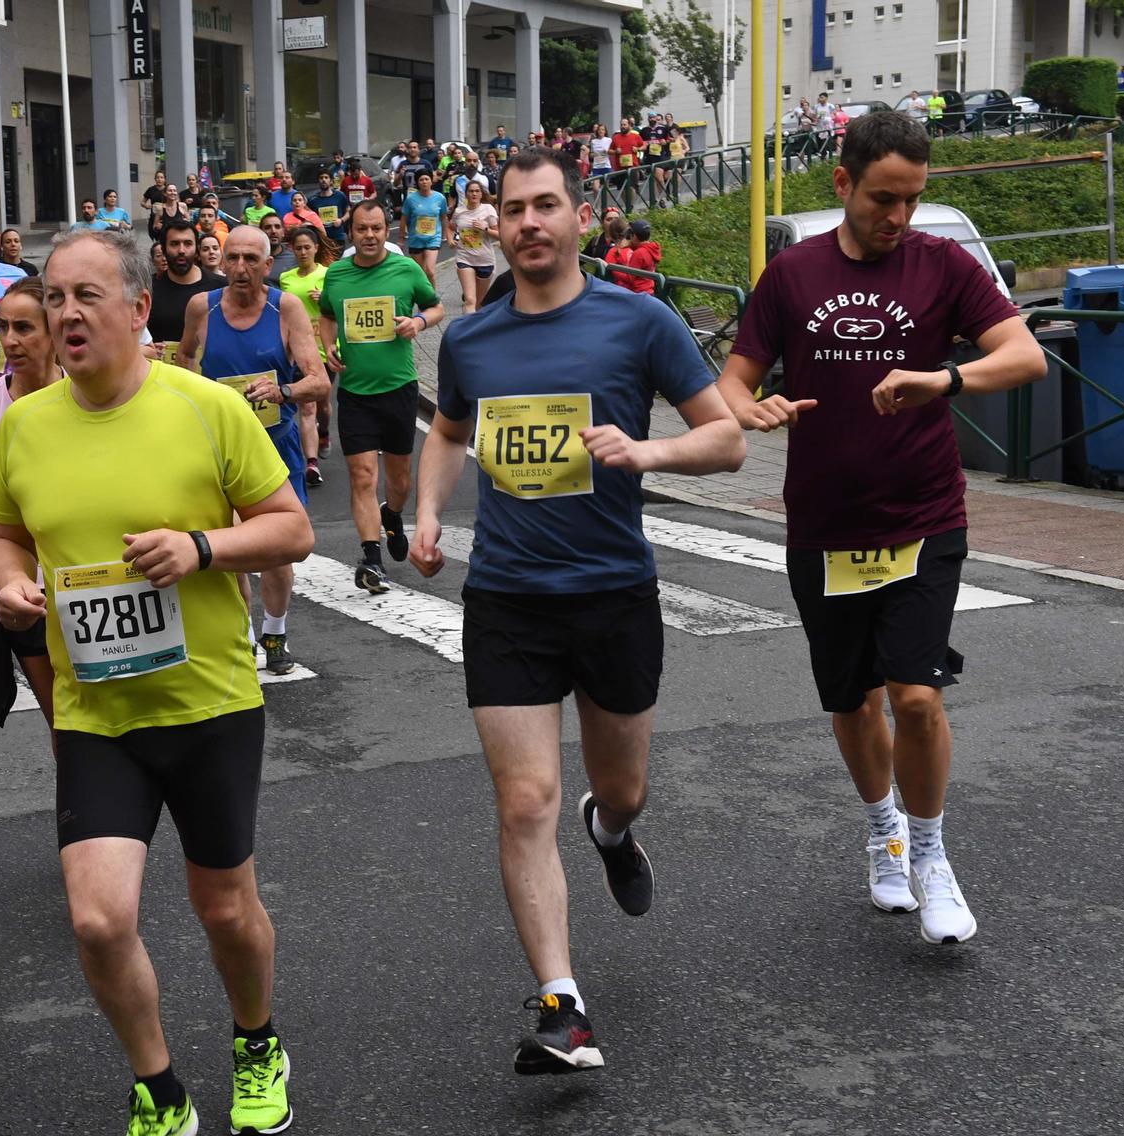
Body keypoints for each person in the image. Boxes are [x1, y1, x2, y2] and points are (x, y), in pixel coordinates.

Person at [0, 226, 313, 1136]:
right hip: (95, 711)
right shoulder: (25, 425)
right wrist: (7, 589)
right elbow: (2, 539)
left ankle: (255, 1042)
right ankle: (158, 1091)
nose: (65, 314)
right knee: (96, 917)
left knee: (222, 907)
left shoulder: (206, 410)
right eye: (53, 298)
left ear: (138, 309)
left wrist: (202, 550)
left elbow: (289, 526)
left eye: (87, 295)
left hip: (207, 700)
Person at [408, 146, 745, 1076]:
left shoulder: (639, 322)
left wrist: (646, 454)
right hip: (508, 600)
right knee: (523, 801)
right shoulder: (472, 339)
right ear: (498, 225)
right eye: (513, 210)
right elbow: (445, 432)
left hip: (612, 597)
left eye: (545, 205)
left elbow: (725, 441)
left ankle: (614, 827)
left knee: (618, 785)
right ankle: (563, 1001)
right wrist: (429, 508)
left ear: (579, 214)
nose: (528, 224)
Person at [719, 110, 1045, 945]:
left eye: (911, 200)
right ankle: (883, 831)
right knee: (854, 698)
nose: (897, 217)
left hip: (923, 517)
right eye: (882, 200)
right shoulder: (792, 274)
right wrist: (750, 408)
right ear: (842, 184)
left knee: (916, 695)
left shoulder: (942, 265)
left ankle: (931, 852)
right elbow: (732, 379)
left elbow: (1026, 354)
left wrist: (945, 377)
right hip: (823, 524)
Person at [179, 226, 330, 676]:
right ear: (221, 263)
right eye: (233, 258)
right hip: (220, 450)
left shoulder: (285, 308)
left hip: (275, 449)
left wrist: (282, 391)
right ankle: (243, 635)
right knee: (230, 549)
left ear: (269, 265)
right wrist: (196, 397)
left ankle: (275, 630)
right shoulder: (200, 308)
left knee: (278, 554)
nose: (241, 268)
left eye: (251, 259)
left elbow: (318, 381)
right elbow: (184, 357)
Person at [318, 198, 442, 595]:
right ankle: (371, 559)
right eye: (361, 229)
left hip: (400, 390)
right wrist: (328, 344)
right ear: (350, 233)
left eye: (375, 229)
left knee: (399, 479)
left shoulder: (405, 269)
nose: (369, 236)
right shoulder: (336, 276)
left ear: (386, 232)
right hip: (355, 394)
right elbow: (326, 315)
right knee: (362, 476)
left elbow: (437, 307)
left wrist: (417, 321)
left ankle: (393, 514)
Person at [0, 279, 61, 730]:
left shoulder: (84, 395)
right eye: (3, 327)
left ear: (54, 330)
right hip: (22, 585)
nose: (10, 341)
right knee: (63, 722)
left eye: (24, 327)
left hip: (85, 578)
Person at [279, 225, 336, 488]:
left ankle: (324, 432)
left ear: (316, 249)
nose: (302, 252)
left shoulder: (329, 274)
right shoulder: (286, 278)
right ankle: (310, 463)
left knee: (323, 405)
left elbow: (340, 307)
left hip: (325, 347)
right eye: (298, 248)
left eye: (307, 247)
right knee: (307, 406)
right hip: (299, 350)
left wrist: (325, 298)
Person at [146, 216, 226, 365]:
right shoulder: (149, 290)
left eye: (188, 244)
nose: (181, 250)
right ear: (163, 249)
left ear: (196, 249)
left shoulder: (221, 287)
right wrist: (148, 348)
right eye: (174, 244)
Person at [447, 178, 500, 313]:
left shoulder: (488, 210)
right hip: (465, 258)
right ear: (466, 194)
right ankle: (467, 332)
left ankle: (477, 328)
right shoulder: (459, 211)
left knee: (480, 303)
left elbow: (500, 235)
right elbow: (450, 227)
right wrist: (451, 239)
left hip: (485, 259)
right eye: (471, 191)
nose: (474, 194)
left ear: (481, 194)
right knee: (470, 300)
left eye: (477, 191)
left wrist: (486, 228)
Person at [400, 169, 449, 283]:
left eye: (427, 179)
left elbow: (443, 217)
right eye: (421, 180)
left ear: (431, 181)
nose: (424, 182)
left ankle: (433, 299)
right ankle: (423, 298)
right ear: (418, 183)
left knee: (430, 271)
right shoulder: (411, 199)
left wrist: (444, 235)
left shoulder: (440, 198)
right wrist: (401, 238)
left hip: (433, 238)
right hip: (415, 239)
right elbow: (404, 219)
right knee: (420, 273)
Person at [607, 216, 661, 297]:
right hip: (649, 291)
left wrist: (612, 267)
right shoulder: (651, 249)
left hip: (638, 293)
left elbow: (630, 277)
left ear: (634, 236)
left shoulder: (638, 254)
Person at [306, 170, 351, 246]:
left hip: (338, 237)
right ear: (318, 181)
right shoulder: (313, 200)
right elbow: (308, 216)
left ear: (331, 181)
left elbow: (349, 211)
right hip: (321, 239)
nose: (324, 180)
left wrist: (341, 220)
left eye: (326, 177)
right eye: (321, 178)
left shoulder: (340, 196)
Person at [259, 212, 298, 282]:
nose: (273, 231)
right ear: (261, 232)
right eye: (268, 227)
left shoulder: (295, 258)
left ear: (283, 232)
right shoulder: (253, 257)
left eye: (277, 227)